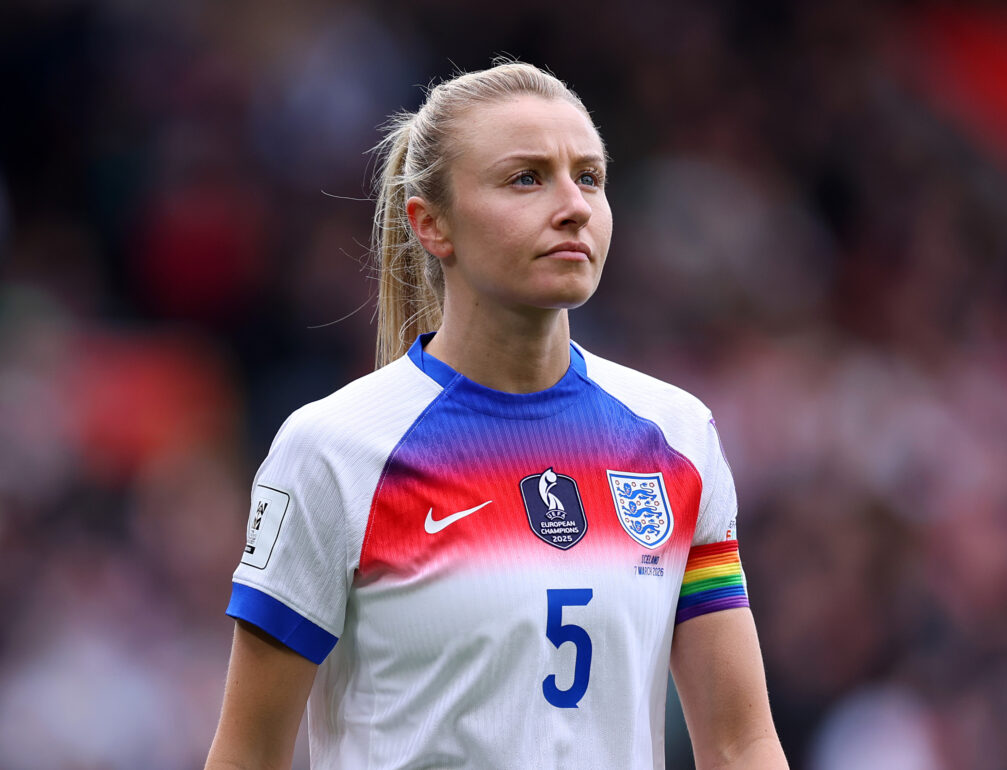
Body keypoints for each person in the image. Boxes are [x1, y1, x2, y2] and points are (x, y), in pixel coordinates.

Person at [205, 61, 787, 770]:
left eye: (590, 177)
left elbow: (739, 745)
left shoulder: (677, 436)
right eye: (526, 178)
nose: (573, 205)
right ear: (432, 225)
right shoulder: (334, 450)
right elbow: (248, 755)